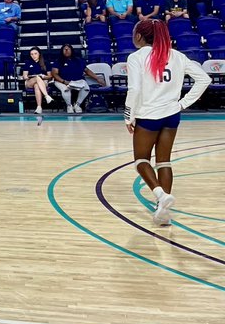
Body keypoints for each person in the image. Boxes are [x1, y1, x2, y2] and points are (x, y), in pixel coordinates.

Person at [125, 19, 210, 226]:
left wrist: (128, 116)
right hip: (172, 115)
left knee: (141, 161)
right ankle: (163, 212)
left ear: (139, 36)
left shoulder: (136, 57)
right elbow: (204, 79)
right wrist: (182, 104)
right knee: (164, 161)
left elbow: (134, 90)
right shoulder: (177, 55)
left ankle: (161, 196)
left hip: (148, 116)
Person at [51, 44, 106, 114]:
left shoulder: (78, 60)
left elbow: (87, 70)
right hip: (61, 81)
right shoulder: (58, 61)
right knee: (65, 90)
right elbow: (54, 74)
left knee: (86, 88)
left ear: (72, 50)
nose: (66, 50)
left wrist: (97, 78)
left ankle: (77, 105)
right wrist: (64, 81)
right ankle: (69, 106)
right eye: (64, 49)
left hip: (77, 80)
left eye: (68, 49)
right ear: (62, 51)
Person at [21, 47, 55, 114]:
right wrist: (32, 76)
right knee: (37, 78)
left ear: (39, 54)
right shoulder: (28, 63)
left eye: (35, 54)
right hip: (30, 81)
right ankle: (46, 96)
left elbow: (50, 76)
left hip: (43, 81)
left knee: (37, 85)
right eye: (32, 54)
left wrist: (44, 76)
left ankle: (39, 107)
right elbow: (24, 76)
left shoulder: (45, 63)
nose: (33, 56)